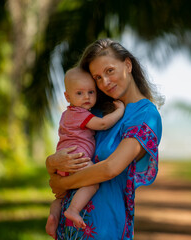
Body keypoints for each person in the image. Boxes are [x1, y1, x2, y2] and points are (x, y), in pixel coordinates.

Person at [46, 38, 163, 240]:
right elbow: (69, 147)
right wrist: (51, 163)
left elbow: (111, 168)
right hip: (70, 222)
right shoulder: (96, 111)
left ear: (127, 64)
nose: (105, 83)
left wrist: (62, 184)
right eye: (97, 77)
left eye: (109, 71)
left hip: (104, 225)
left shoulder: (145, 115)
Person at [45, 67, 125, 239]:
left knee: (60, 197)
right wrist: (119, 111)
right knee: (92, 183)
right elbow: (103, 124)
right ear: (68, 97)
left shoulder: (66, 115)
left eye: (91, 92)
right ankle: (73, 210)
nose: (87, 97)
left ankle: (53, 216)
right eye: (79, 93)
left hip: (64, 161)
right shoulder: (80, 114)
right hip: (78, 158)